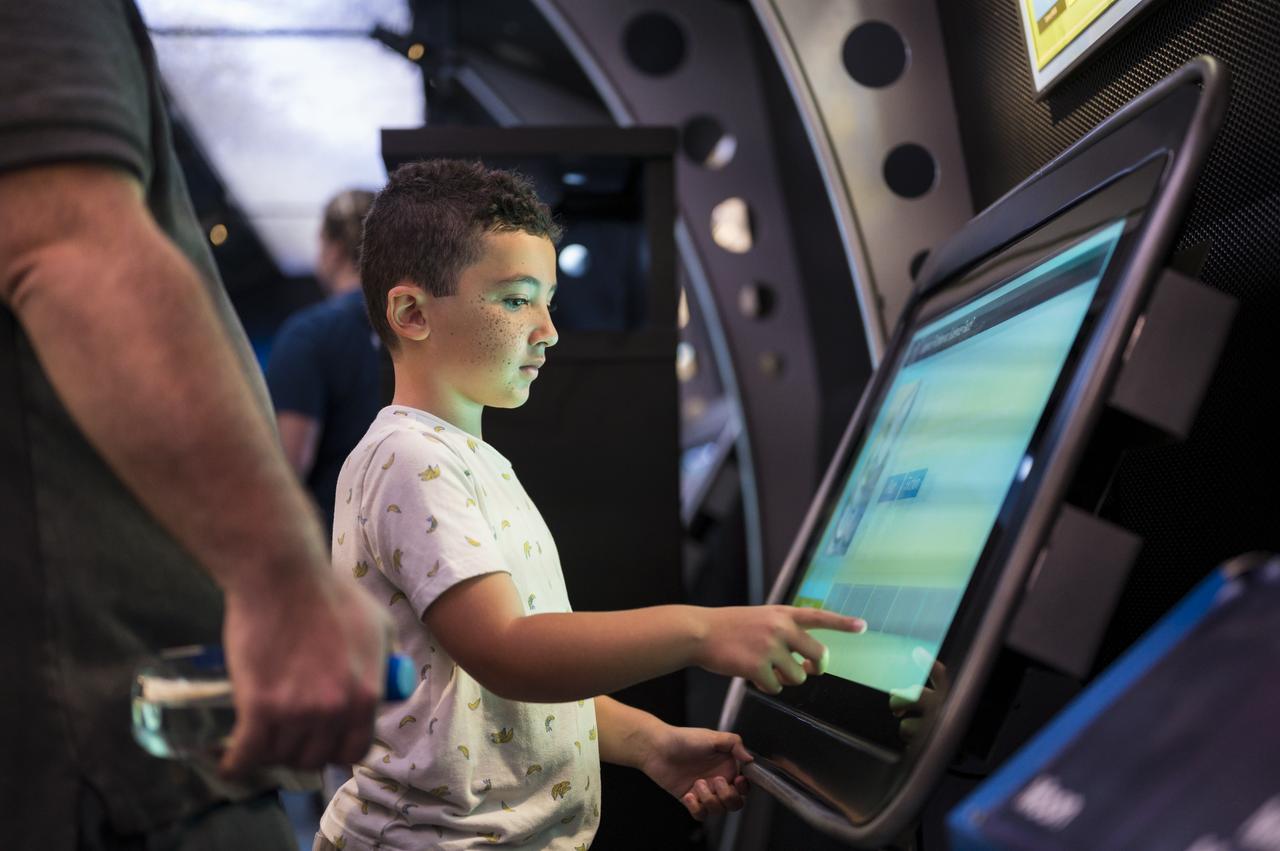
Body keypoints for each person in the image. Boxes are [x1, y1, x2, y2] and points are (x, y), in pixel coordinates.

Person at [316, 159, 865, 850]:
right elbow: (509, 652)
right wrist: (702, 631)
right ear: (413, 312)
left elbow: (484, 695)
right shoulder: (410, 458)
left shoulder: (462, 459)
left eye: (547, 298)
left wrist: (648, 742)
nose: (548, 328)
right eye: (516, 299)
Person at [0, 2, 388, 848]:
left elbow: (294, 454)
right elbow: (66, 247)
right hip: (115, 744)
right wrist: (282, 584)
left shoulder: (310, 340)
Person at [267, 189, 383, 530]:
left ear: (331, 249)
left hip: (331, 552)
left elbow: (288, 467)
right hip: (405, 551)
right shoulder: (415, 332)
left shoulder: (309, 335)